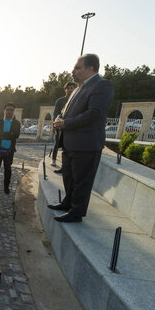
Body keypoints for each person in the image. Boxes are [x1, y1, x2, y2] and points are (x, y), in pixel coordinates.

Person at [50, 54, 114, 223]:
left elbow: (94, 114)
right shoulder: (78, 88)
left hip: (86, 145)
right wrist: (59, 118)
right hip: (70, 143)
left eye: (78, 68)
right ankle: (67, 203)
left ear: (91, 68)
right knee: (69, 177)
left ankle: (76, 212)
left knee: (81, 181)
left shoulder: (102, 85)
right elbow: (66, 110)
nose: (73, 71)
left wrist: (66, 123)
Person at [0, 103, 21, 194]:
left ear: (13, 111)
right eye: (7, 109)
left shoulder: (16, 123)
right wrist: (9, 134)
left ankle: (6, 187)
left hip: (9, 151)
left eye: (11, 110)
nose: (9, 111)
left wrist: (4, 134)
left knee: (8, 169)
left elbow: (16, 135)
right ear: (4, 111)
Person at [52, 82, 77, 171]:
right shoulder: (60, 101)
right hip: (59, 126)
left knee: (66, 147)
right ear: (65, 90)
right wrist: (54, 124)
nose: (71, 90)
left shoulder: (76, 100)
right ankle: (53, 159)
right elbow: (55, 113)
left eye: (72, 88)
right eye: (69, 88)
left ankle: (64, 166)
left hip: (69, 127)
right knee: (57, 142)